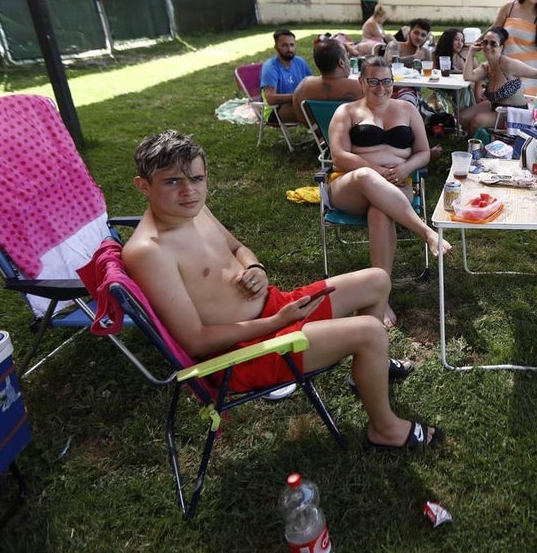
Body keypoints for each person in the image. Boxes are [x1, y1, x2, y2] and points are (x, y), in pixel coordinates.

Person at [123, 130, 443, 450]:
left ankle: (368, 372)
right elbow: (194, 339)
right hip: (242, 353)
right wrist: (276, 323)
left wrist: (255, 268)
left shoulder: (193, 209)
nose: (189, 190)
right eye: (172, 182)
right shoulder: (149, 251)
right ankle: (384, 429)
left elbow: (237, 247)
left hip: (274, 308)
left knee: (376, 280)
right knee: (371, 332)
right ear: (143, 186)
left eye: (196, 178)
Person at [329, 57, 452, 329]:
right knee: (364, 176)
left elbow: (423, 152)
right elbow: (338, 156)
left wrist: (406, 166)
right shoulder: (346, 112)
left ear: (392, 83)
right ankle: (427, 233)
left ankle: (379, 295)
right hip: (350, 185)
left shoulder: (407, 109)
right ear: (361, 82)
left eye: (386, 81)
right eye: (372, 80)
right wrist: (373, 169)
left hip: (397, 187)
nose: (380, 87)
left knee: (380, 211)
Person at [458, 27, 537, 133]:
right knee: (462, 117)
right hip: (494, 107)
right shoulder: (486, 67)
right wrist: (471, 52)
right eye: (485, 42)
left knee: (477, 121)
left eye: (493, 43)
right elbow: (468, 76)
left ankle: (475, 145)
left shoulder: (509, 65)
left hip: (512, 111)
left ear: (501, 47)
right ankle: (479, 138)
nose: (487, 46)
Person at [494, 0, 537, 98]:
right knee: (508, 106)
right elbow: (494, 28)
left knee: (529, 109)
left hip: (534, 70)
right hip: (510, 68)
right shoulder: (509, 7)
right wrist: (478, 41)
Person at [291, 36, 363, 122]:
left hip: (322, 133)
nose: (348, 60)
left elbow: (302, 119)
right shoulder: (360, 87)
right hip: (352, 133)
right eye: (347, 57)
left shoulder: (303, 86)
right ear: (341, 62)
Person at [260, 29, 313, 125]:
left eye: (292, 45)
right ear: (276, 47)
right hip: (275, 110)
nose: (289, 49)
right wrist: (297, 97)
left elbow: (311, 83)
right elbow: (271, 99)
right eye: (285, 45)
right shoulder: (270, 67)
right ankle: (323, 137)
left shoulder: (300, 62)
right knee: (311, 111)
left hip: (298, 102)